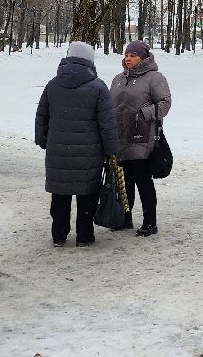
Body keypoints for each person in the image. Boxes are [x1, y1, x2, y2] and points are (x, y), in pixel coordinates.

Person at [35, 40, 119, 248]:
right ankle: (84, 236)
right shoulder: (98, 87)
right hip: (89, 153)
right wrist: (112, 150)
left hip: (58, 152)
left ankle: (59, 235)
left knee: (60, 195)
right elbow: (107, 124)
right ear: (90, 61)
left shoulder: (53, 85)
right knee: (87, 196)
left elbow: (41, 116)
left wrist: (43, 140)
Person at [109, 39, 171, 237]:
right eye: (127, 55)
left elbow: (165, 103)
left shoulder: (154, 78)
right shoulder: (118, 78)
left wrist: (145, 114)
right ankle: (125, 218)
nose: (128, 59)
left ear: (143, 58)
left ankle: (149, 222)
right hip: (120, 136)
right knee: (123, 181)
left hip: (142, 137)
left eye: (133, 55)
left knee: (143, 181)